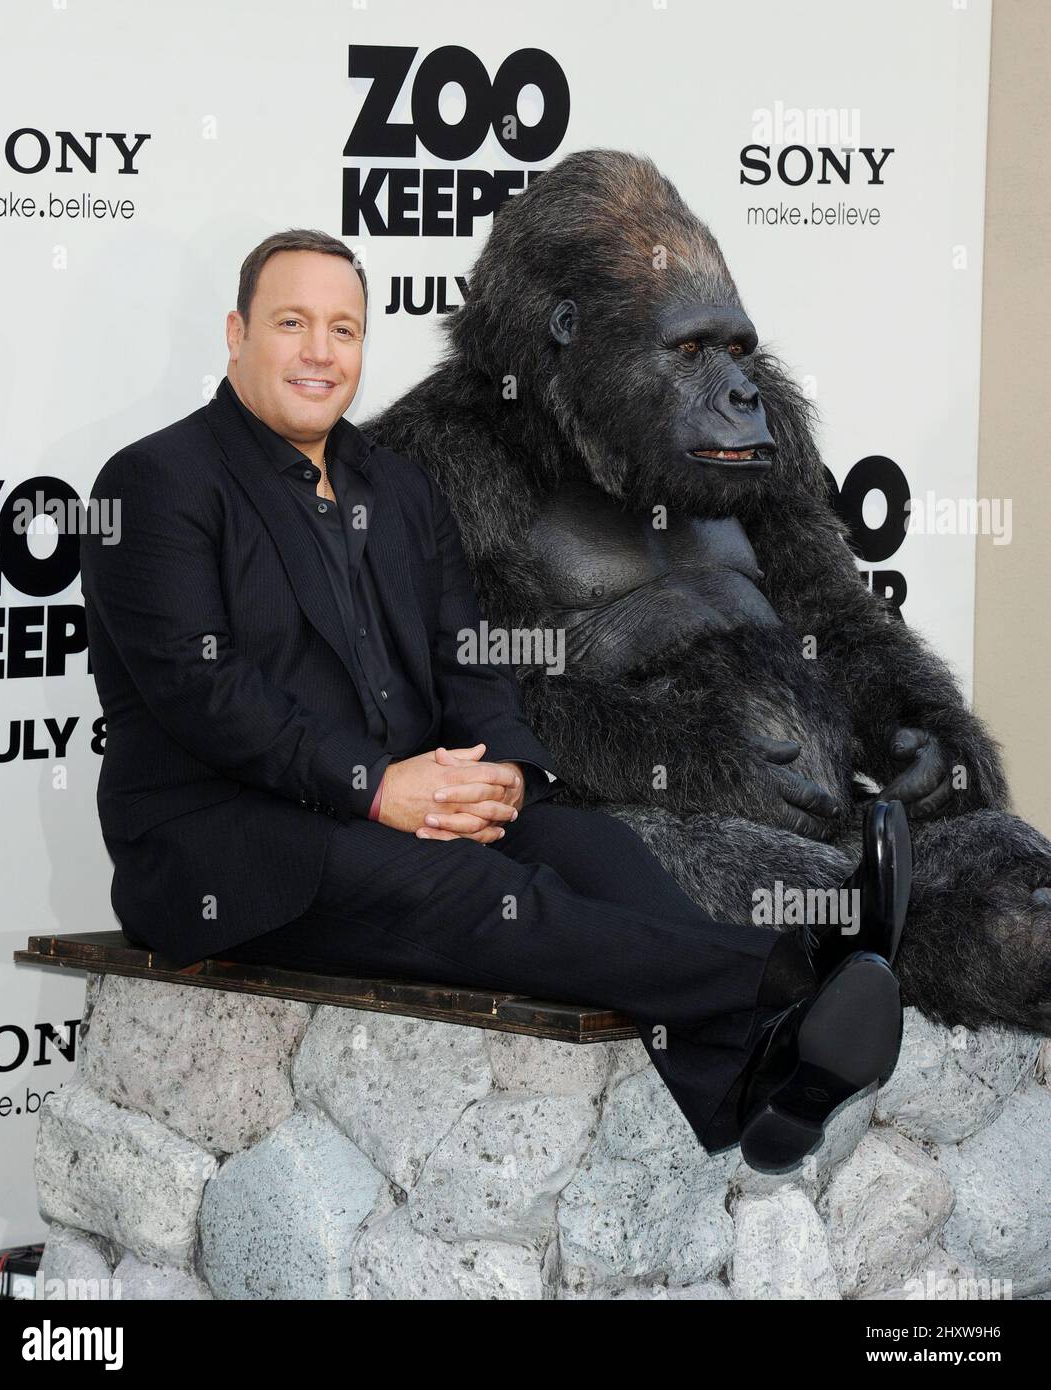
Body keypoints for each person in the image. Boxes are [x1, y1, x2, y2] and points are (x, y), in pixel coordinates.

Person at [79, 227, 910, 1174]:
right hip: (232, 842)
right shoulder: (155, 484)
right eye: (292, 323)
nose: (320, 352)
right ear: (236, 334)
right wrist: (379, 789)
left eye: (343, 329)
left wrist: (507, 768)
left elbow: (468, 655)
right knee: (482, 894)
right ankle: (797, 969)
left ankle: (752, 1087)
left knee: (590, 844)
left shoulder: (394, 484)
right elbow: (204, 693)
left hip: (408, 808)